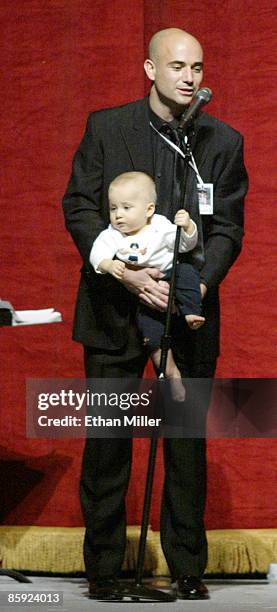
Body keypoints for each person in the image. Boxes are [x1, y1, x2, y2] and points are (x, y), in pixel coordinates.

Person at [62, 27, 248, 600]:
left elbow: (228, 229)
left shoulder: (221, 139)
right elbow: (79, 206)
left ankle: (188, 567)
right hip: (113, 313)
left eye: (197, 66)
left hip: (185, 313)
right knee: (108, 445)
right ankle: (103, 569)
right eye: (176, 66)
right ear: (149, 69)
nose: (189, 77)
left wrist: (188, 282)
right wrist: (126, 272)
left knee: (186, 446)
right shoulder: (107, 127)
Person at [90, 170, 205, 402]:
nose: (118, 216)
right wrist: (109, 265)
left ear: (149, 210)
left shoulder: (160, 225)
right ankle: (170, 371)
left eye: (126, 208)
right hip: (142, 292)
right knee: (149, 329)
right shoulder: (113, 234)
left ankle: (192, 312)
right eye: (113, 209)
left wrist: (189, 227)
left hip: (169, 273)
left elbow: (184, 246)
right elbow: (96, 252)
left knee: (188, 273)